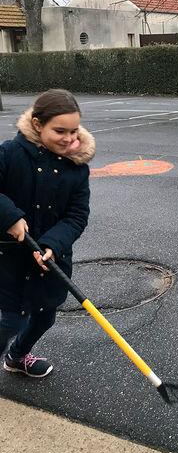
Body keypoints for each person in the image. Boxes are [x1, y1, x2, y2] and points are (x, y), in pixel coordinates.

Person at [0, 89, 95, 377]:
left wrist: (54, 243)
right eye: (60, 131)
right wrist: (11, 216)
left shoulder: (76, 168)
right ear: (38, 125)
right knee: (12, 321)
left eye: (73, 131)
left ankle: (17, 357)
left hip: (50, 261)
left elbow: (77, 216)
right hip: (10, 260)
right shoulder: (10, 154)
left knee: (44, 317)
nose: (68, 139)